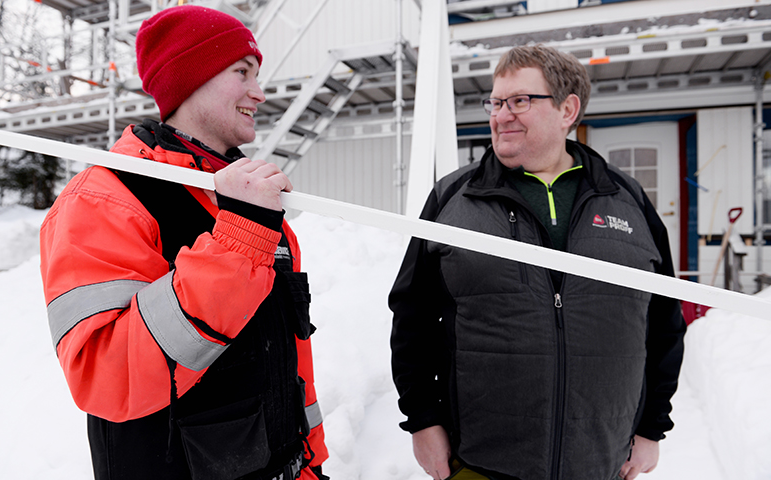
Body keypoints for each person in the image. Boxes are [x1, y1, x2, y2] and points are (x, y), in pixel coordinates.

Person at [40, 5, 328, 480]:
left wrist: (309, 465)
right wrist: (240, 240)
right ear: (191, 77)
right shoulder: (107, 198)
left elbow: (291, 364)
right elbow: (107, 377)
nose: (260, 92)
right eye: (243, 72)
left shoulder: (246, 198)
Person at [389, 44, 686, 480]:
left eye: (520, 101)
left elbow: (664, 320)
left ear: (568, 109)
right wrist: (422, 421)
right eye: (495, 101)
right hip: (481, 462)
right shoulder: (454, 199)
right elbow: (411, 317)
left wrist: (652, 427)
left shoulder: (627, 201)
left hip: (602, 462)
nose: (500, 114)